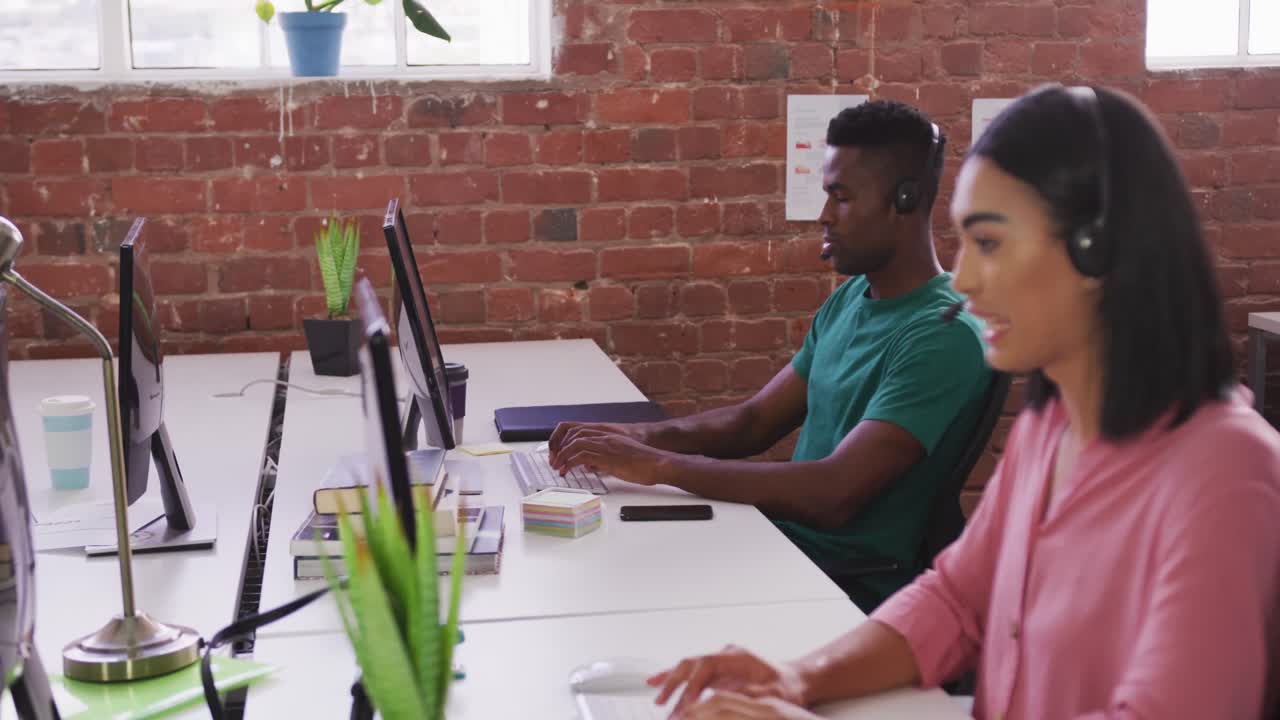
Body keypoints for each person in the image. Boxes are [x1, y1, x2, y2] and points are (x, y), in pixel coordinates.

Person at [645, 84, 1280, 720]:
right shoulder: (1051, 429)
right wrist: (794, 678)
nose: (966, 279)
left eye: (990, 244)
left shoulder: (1224, 468)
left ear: (1097, 249)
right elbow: (957, 600)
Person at [549, 100, 991, 611]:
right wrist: (629, 440)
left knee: (624, 583)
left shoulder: (942, 335)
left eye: (841, 197)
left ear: (905, 200)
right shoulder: (853, 298)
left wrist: (658, 466)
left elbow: (834, 493)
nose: (824, 215)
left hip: (843, 586)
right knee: (604, 562)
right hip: (786, 549)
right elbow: (752, 422)